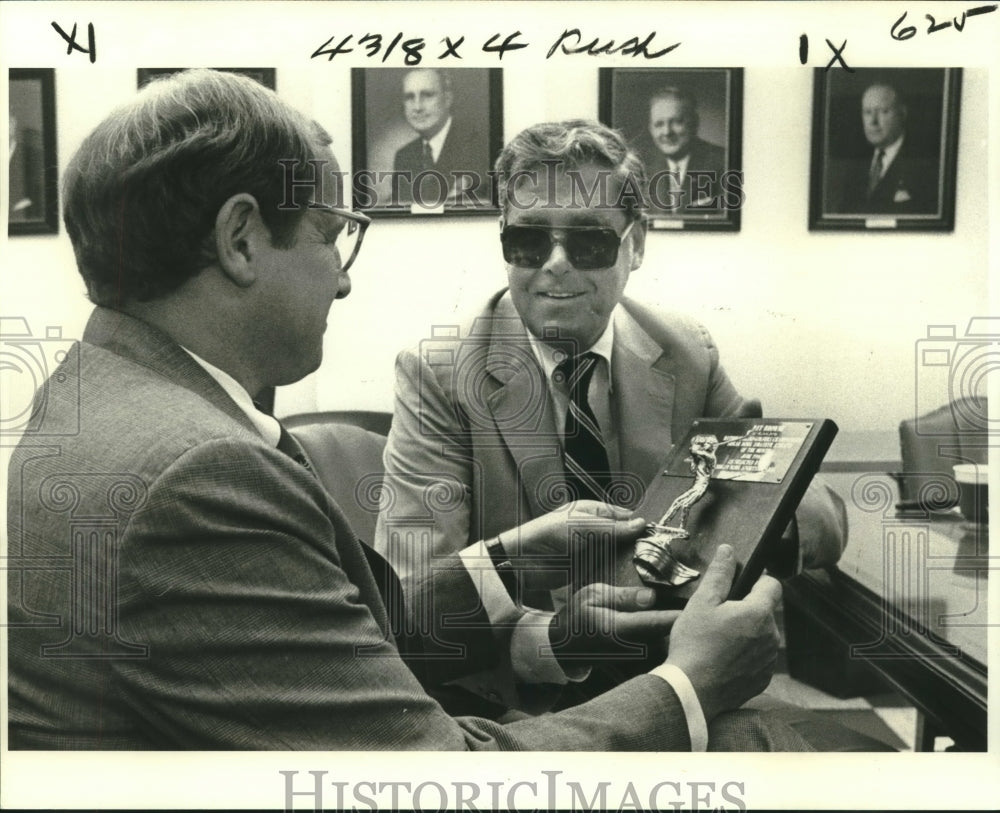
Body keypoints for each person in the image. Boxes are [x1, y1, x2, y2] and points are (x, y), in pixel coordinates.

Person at [7, 69, 801, 751]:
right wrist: (690, 684)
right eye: (331, 234)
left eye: (589, 241)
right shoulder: (198, 474)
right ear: (242, 241)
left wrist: (508, 561)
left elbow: (328, 639)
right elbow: (431, 776)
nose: (343, 281)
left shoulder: (99, 394)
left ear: (636, 244)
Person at [376, 120, 852, 729]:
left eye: (589, 243)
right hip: (510, 709)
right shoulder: (439, 373)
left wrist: (760, 524)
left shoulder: (684, 351)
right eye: (527, 242)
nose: (554, 265)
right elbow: (417, 600)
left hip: (675, 679)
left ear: (638, 244)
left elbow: (823, 515)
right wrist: (558, 645)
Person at [836, 81, 938, 215]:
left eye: (883, 112)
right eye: (867, 112)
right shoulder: (855, 165)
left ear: (902, 113)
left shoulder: (925, 162)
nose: (873, 121)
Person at [391, 68, 488, 204]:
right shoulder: (404, 157)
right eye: (409, 97)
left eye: (428, 95)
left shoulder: (479, 147)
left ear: (447, 99)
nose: (417, 107)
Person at [635, 86, 728, 213]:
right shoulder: (639, 168)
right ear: (651, 129)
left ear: (694, 123)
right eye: (659, 124)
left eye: (677, 122)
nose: (667, 132)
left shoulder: (724, 162)